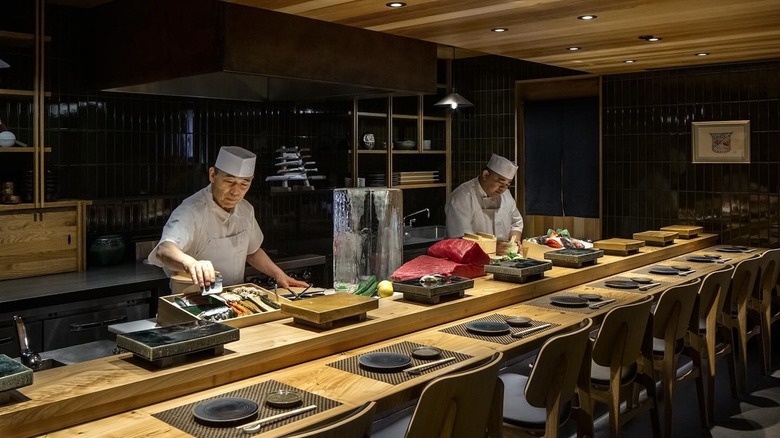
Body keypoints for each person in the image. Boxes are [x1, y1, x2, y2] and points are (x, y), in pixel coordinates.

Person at [148, 146, 308, 290]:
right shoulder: (190, 210)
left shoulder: (246, 210)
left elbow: (252, 252)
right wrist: (192, 264)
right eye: (229, 181)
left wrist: (279, 274)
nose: (235, 192)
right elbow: (165, 250)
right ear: (212, 175)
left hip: (233, 301)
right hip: (191, 303)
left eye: (244, 184)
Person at [445, 153, 524, 255]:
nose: (503, 189)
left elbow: (516, 223)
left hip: (502, 260)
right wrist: (492, 248)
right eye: (500, 183)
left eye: (507, 185)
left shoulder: (506, 195)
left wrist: (514, 242)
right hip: (467, 260)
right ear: (485, 175)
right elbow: (460, 239)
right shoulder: (462, 196)